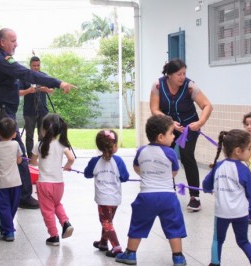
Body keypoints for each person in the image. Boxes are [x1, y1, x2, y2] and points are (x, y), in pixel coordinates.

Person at [0, 28, 76, 209]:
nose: (16, 44)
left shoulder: (3, 58)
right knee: (18, 151)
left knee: (0, 152)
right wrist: (58, 82)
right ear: (2, 42)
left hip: (2, 112)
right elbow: (26, 74)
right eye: (13, 40)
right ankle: (24, 195)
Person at [116, 114, 187, 266]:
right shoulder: (170, 153)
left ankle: (130, 254)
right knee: (173, 226)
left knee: (138, 224)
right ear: (161, 137)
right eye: (171, 133)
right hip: (168, 197)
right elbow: (174, 172)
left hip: (146, 196)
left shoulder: (141, 151)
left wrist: (147, 175)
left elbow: (136, 167)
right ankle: (178, 257)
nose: (174, 136)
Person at [150, 58, 213, 212]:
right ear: (169, 75)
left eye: (184, 73)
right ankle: (167, 191)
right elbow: (154, 109)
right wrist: (169, 122)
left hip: (188, 127)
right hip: (167, 127)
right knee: (166, 156)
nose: (182, 77)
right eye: (179, 74)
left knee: (187, 156)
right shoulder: (158, 85)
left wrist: (200, 122)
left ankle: (194, 197)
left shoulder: (190, 86)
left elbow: (207, 105)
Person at [202, 129, 251, 266]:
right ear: (238, 151)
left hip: (222, 213)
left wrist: (209, 189)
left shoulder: (218, 166)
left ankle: (215, 263)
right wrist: (249, 204)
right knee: (243, 241)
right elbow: (250, 191)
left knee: (218, 240)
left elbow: (206, 185)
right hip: (240, 212)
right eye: (249, 149)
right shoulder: (244, 170)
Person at [29, 113, 75, 246]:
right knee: (57, 204)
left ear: (43, 129)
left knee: (47, 210)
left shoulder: (39, 145)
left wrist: (38, 164)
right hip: (59, 184)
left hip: (44, 184)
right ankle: (65, 222)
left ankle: (54, 236)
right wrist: (66, 167)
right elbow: (71, 159)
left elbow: (33, 162)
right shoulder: (61, 144)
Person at [84, 130, 130, 257]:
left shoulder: (95, 161)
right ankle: (103, 243)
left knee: (106, 222)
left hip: (103, 199)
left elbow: (87, 174)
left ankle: (116, 247)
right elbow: (125, 177)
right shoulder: (119, 161)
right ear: (114, 146)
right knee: (107, 221)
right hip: (115, 199)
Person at [0, 117, 22, 241]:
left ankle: (8, 229)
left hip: (2, 185)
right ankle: (7, 227)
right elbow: (19, 160)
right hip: (16, 182)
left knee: (4, 207)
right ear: (14, 134)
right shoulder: (16, 144)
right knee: (13, 207)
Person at [18, 56, 54, 158]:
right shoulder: (25, 77)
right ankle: (30, 157)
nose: (36, 67)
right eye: (34, 66)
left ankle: (41, 155)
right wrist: (28, 91)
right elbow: (19, 92)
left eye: (38, 65)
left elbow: (52, 90)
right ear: (30, 66)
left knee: (42, 135)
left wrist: (46, 89)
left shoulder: (43, 76)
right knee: (29, 135)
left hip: (43, 110)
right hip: (29, 111)